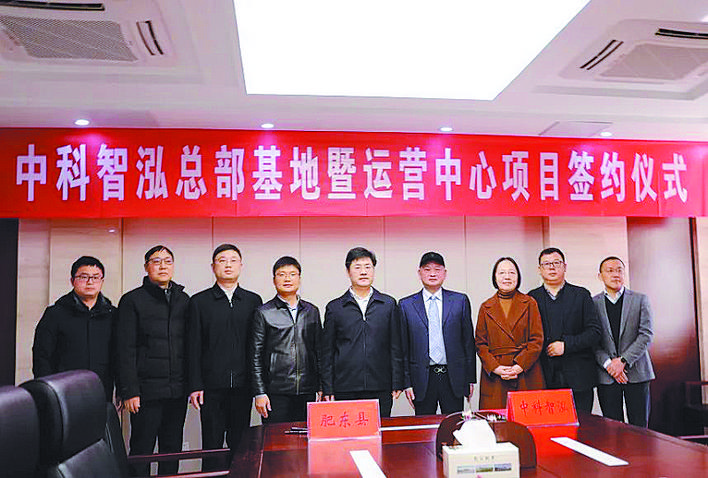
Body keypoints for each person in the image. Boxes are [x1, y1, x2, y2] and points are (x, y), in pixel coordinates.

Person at [187, 244, 262, 471]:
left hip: (243, 385)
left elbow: (258, 346)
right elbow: (193, 346)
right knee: (212, 444)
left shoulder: (252, 301)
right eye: (222, 260)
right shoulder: (199, 302)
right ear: (213, 267)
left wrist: (258, 386)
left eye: (232, 260)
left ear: (241, 265)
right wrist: (195, 385)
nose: (228, 265)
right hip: (211, 387)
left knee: (240, 444)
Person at [116, 245, 189, 476]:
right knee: (141, 449)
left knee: (172, 449)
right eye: (156, 262)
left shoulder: (183, 300)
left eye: (168, 261)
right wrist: (129, 390)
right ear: (146, 267)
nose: (163, 266)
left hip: (176, 391)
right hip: (145, 392)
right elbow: (124, 349)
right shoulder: (132, 300)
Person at [321, 247, 403, 417]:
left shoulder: (388, 304)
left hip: (380, 384)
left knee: (378, 430)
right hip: (345, 386)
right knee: (348, 430)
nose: (363, 272)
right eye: (357, 267)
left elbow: (396, 346)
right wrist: (327, 387)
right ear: (348, 272)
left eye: (368, 267)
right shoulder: (335, 308)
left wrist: (397, 381)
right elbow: (327, 351)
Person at [399, 252, 476, 415]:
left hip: (453, 376)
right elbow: (403, 348)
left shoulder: (460, 301)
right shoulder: (406, 305)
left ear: (445, 273)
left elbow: (468, 342)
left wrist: (470, 378)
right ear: (419, 273)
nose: (432, 274)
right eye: (427, 269)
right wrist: (406, 383)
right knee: (423, 426)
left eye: (437, 269)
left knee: (454, 424)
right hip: (422, 379)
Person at [32, 255, 116, 401]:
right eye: (83, 277)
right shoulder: (55, 314)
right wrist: (47, 390)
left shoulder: (113, 315)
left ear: (102, 281)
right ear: (72, 281)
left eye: (95, 277)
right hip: (63, 391)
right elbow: (42, 356)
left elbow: (120, 355)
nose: (90, 282)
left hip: (102, 389)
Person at [528, 247, 601, 413]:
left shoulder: (581, 295)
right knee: (549, 425)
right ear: (539, 269)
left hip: (579, 377)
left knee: (582, 424)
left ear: (565, 266)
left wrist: (566, 345)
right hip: (544, 377)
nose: (552, 267)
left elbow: (594, 332)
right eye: (546, 264)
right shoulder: (531, 298)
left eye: (556, 263)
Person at [251, 256, 322, 423]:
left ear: (299, 279)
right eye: (281, 274)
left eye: (292, 274)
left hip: (306, 390)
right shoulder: (264, 312)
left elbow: (319, 351)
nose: (287, 279)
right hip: (275, 391)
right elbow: (255, 356)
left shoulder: (311, 311)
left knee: (304, 436)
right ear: (274, 280)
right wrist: (260, 392)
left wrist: (321, 387)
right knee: (276, 438)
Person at [475, 257, 545, 409]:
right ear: (495, 277)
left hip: (526, 372)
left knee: (526, 418)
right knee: (497, 420)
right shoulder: (486, 307)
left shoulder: (530, 303)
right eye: (502, 273)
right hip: (496, 375)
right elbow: (480, 344)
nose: (507, 277)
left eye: (512, 273)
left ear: (518, 277)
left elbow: (537, 340)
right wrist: (496, 368)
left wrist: (519, 366)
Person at [593, 256, 655, 427]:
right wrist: (609, 365)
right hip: (607, 374)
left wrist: (623, 361)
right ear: (600, 276)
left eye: (619, 270)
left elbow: (646, 335)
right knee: (612, 427)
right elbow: (592, 340)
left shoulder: (640, 299)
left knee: (640, 427)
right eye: (610, 271)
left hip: (637, 373)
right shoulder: (592, 303)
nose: (615, 274)